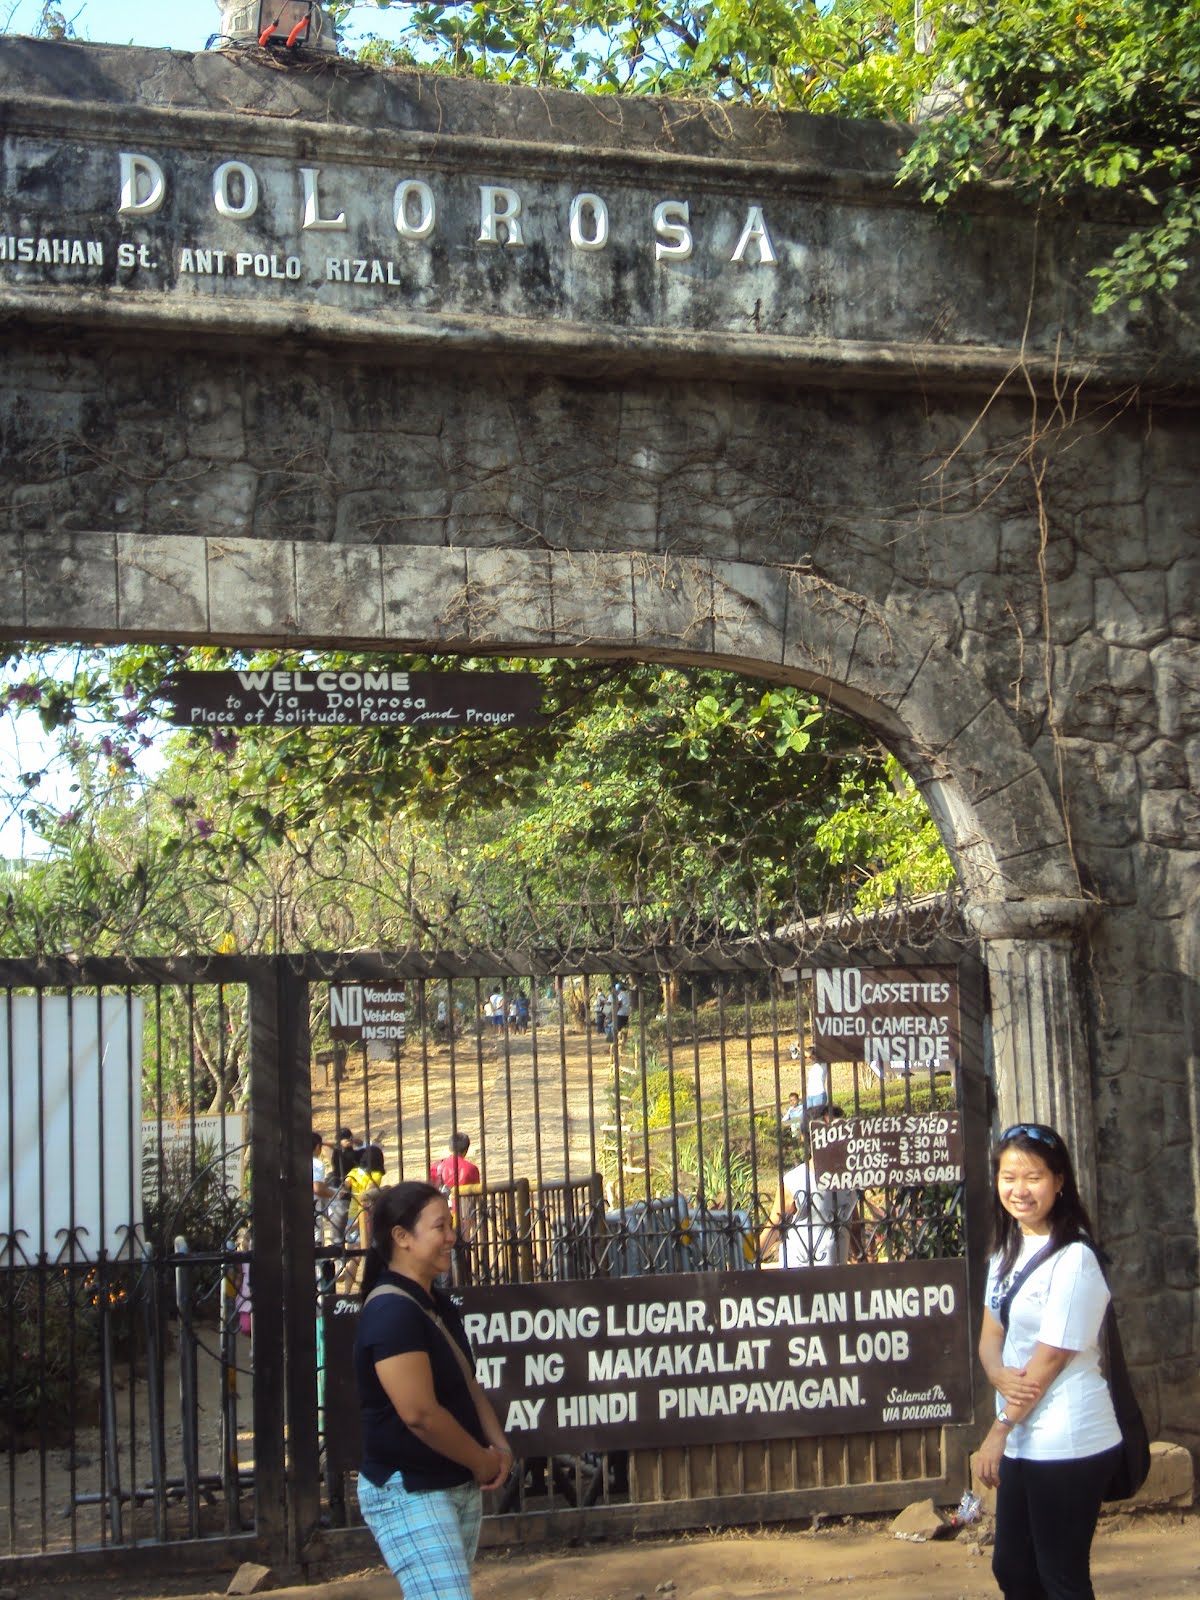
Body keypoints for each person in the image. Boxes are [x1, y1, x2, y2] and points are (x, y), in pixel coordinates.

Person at [976, 1123, 1122, 1600]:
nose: (1019, 1190)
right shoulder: (1007, 1249)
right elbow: (991, 1332)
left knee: (1060, 1576)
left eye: (1033, 1176)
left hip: (1069, 1437)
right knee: (1013, 1569)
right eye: (1008, 1176)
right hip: (1024, 1436)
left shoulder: (1074, 1257)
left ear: (1059, 1182)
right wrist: (995, 1372)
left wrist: (997, 1430)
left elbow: (1051, 1357)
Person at [354, 1182, 512, 1600]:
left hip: (453, 1483)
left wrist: (499, 1447)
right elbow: (419, 1413)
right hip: (408, 1487)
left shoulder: (438, 1305)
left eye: (451, 1225)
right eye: (440, 1227)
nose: (451, 1237)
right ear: (402, 1237)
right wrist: (481, 1460)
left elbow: (468, 1385)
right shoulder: (391, 1311)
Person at [761, 1105, 858, 1268]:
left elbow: (853, 1225)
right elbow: (773, 1229)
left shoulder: (849, 1179)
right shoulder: (794, 1181)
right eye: (825, 1131)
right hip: (798, 1279)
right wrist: (748, 1258)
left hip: (837, 1282)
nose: (833, 1138)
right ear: (806, 1137)